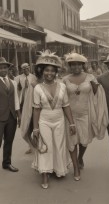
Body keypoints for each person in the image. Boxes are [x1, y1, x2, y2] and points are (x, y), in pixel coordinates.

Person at [31, 50, 76, 189]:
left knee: (59, 145)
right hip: (44, 121)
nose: (49, 73)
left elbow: (66, 106)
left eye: (52, 70)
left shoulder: (62, 86)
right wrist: (35, 128)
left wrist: (72, 123)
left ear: (56, 72)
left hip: (59, 120)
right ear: (42, 71)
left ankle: (58, 169)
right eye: (46, 70)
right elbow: (36, 109)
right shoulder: (38, 88)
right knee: (46, 147)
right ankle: (44, 173)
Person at [63, 52, 108, 181]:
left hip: (85, 114)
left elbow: (97, 94)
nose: (75, 67)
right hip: (70, 115)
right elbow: (61, 96)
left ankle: (80, 157)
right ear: (69, 66)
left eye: (78, 64)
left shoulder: (90, 77)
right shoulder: (65, 79)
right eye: (72, 64)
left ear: (82, 65)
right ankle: (76, 167)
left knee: (84, 140)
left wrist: (97, 90)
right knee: (72, 141)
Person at [15, 63, 38, 154]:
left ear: (29, 68)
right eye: (23, 69)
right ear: (21, 70)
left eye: (27, 68)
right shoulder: (18, 78)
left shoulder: (34, 77)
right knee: (25, 126)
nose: (25, 70)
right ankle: (31, 145)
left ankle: (35, 145)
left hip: (32, 103)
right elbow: (17, 91)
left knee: (33, 124)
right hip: (22, 103)